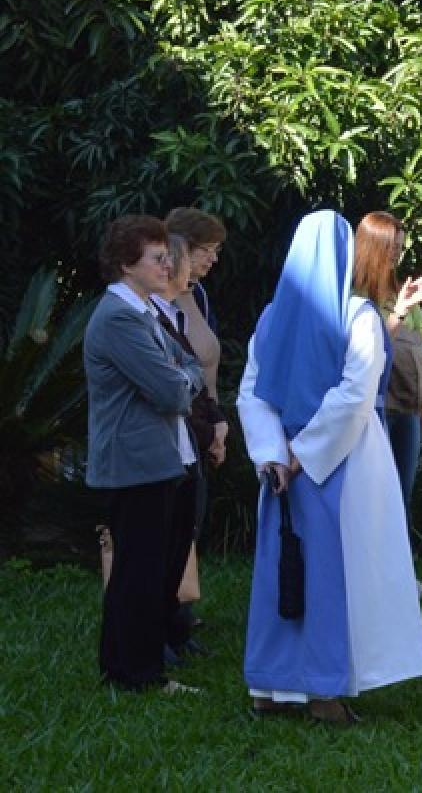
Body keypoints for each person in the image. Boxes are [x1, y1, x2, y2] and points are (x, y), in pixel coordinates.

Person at [238, 210, 422, 723]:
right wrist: (306, 455)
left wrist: (275, 455)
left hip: (283, 469)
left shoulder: (272, 316)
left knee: (282, 570)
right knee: (331, 574)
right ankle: (324, 692)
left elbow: (253, 393)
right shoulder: (358, 315)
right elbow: (355, 394)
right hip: (342, 465)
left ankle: (269, 685)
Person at [84, 215, 206, 694]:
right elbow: (172, 391)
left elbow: (186, 367)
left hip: (159, 461)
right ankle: (136, 674)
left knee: (150, 569)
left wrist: (182, 378)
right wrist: (183, 379)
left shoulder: (140, 312)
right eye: (156, 258)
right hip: (135, 465)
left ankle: (129, 666)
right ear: (125, 264)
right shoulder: (117, 317)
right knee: (139, 572)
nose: (166, 264)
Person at [149, 232, 228, 658]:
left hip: (192, 434)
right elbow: (177, 381)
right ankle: (157, 635)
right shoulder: (147, 316)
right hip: (166, 440)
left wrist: (215, 420)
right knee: (162, 541)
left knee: (185, 533)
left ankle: (175, 629)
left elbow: (194, 377)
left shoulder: (185, 310)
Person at [351, 211, 422, 516]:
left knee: (403, 488)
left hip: (406, 401)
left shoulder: (396, 288)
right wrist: (399, 316)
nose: (396, 255)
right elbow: (366, 347)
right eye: (391, 247)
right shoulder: (350, 293)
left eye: (400, 248)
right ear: (371, 245)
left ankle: (398, 559)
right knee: (374, 489)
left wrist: (418, 353)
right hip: (370, 405)